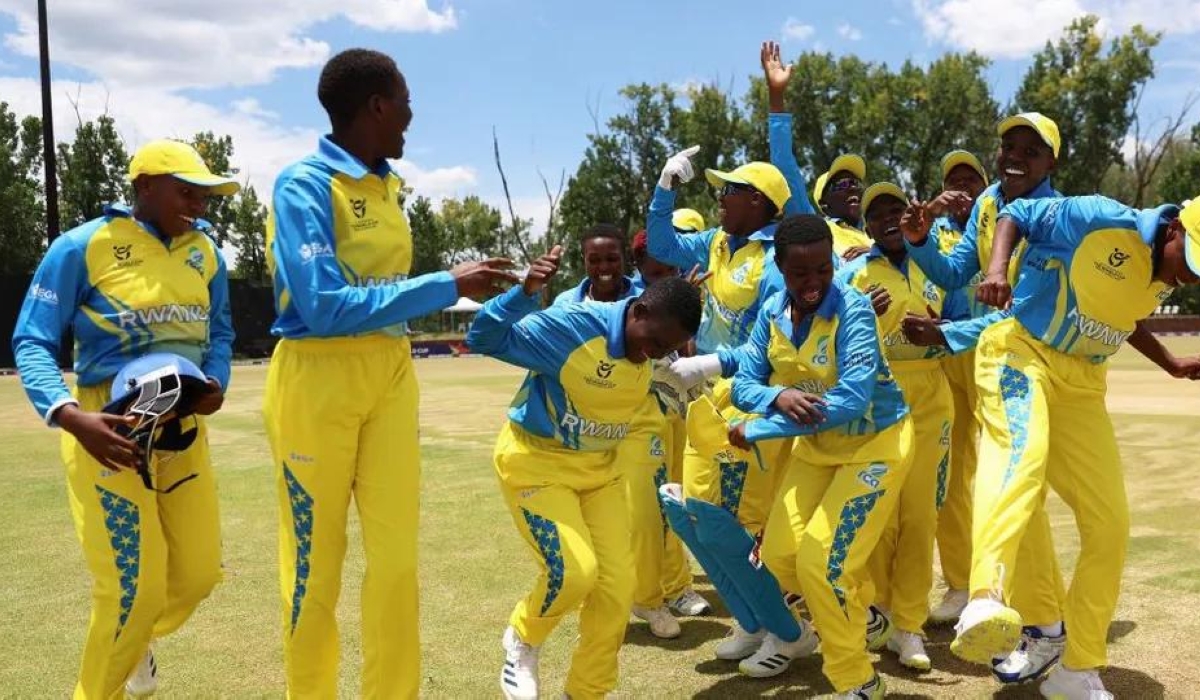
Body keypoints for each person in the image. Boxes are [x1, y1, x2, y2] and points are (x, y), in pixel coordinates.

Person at [262, 48, 517, 698]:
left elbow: (383, 292)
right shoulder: (305, 184)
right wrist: (444, 284)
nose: (411, 115)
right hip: (316, 379)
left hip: (390, 373)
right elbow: (320, 308)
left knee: (397, 564)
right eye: (405, 102)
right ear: (377, 104)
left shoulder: (387, 185)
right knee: (316, 570)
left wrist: (457, 288)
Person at [12, 139, 238, 698]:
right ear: (144, 186)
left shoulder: (206, 254)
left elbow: (222, 334)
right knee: (132, 590)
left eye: (206, 195)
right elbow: (32, 340)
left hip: (182, 430)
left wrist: (216, 383)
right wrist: (67, 415)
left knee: (197, 576)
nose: (200, 205)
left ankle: (135, 640)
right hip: (105, 430)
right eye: (187, 191)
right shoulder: (82, 246)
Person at [951, 193, 1200, 699]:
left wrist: (1170, 363)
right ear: (1174, 230)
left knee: (1110, 525)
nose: (1191, 277)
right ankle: (985, 598)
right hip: (1021, 351)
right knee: (1022, 458)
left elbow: (1120, 317)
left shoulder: (1163, 269)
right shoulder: (1101, 218)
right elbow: (1016, 213)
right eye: (1190, 261)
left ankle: (1076, 669)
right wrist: (997, 268)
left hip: (1083, 383)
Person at [467, 246, 701, 700]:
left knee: (617, 592)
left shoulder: (655, 333)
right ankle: (522, 637)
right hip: (537, 465)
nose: (652, 356)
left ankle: (586, 691)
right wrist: (524, 293)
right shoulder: (573, 327)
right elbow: (484, 338)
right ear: (639, 311)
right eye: (652, 343)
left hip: (601, 473)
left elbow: (662, 345)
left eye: (664, 351)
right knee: (575, 573)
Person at [903, 113, 1071, 684]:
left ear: (1052, 162)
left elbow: (1022, 311)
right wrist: (920, 239)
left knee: (1017, 496)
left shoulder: (1057, 216)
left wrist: (948, 334)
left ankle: (1032, 621)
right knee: (1000, 494)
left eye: (1031, 149)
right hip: (986, 364)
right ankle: (1036, 623)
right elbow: (955, 274)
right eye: (1007, 146)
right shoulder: (989, 203)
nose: (1014, 157)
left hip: (1032, 370)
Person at [731, 214, 913, 698]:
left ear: (833, 262)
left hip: (875, 445)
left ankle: (858, 678)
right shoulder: (771, 312)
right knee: (778, 555)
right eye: (799, 273)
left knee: (822, 564)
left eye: (822, 271)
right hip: (818, 449)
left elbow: (852, 399)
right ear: (780, 267)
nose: (811, 284)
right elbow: (746, 383)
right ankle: (862, 615)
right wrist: (776, 398)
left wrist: (761, 426)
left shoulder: (854, 311)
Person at [838, 183, 975, 671]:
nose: (889, 219)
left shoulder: (937, 260)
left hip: (932, 399)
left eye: (897, 209)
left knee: (920, 516)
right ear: (868, 225)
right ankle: (880, 614)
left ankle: (910, 627)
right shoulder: (853, 272)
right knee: (879, 515)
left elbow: (964, 322)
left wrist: (940, 334)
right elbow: (831, 339)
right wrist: (862, 319)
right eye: (878, 214)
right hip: (879, 400)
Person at [922, 150, 990, 626]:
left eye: (971, 178)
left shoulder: (1000, 224)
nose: (962, 187)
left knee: (1007, 472)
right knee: (952, 477)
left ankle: (1004, 583)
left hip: (995, 353)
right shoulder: (934, 235)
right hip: (945, 356)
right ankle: (962, 584)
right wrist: (927, 216)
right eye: (953, 180)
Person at [758, 41, 872, 259]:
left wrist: (876, 252)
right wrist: (776, 96)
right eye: (842, 184)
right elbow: (784, 166)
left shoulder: (878, 238)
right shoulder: (819, 230)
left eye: (855, 183)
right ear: (824, 205)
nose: (852, 189)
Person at [554, 224, 635, 304]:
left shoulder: (643, 302)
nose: (604, 267)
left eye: (612, 259)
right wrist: (541, 285)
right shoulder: (564, 304)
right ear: (584, 261)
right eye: (594, 260)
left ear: (625, 257)